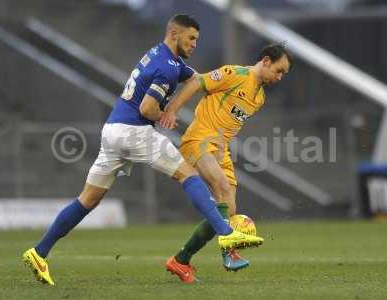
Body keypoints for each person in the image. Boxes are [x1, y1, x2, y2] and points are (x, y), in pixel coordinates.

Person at [22, 14, 263, 286]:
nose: (195, 44)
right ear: (174, 33)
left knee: (87, 200)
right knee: (189, 175)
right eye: (191, 38)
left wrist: (238, 79)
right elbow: (147, 108)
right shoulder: (167, 67)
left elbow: (196, 78)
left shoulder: (162, 57)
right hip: (133, 131)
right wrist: (166, 114)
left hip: (112, 131)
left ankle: (39, 252)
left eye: (197, 39)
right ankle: (225, 231)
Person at [160, 43, 293, 283]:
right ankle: (229, 252)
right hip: (198, 140)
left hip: (221, 151)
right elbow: (196, 82)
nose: (280, 77)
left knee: (227, 211)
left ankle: (181, 260)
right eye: (278, 70)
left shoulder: (259, 97)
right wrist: (171, 110)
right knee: (221, 187)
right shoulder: (235, 74)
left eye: (284, 74)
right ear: (265, 61)